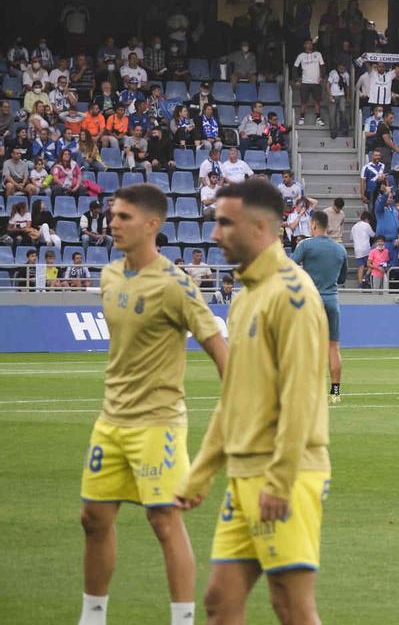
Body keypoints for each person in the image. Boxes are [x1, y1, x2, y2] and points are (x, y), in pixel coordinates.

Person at [174, 179, 331, 625]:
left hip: (286, 473)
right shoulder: (244, 298)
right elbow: (234, 398)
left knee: (291, 607)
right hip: (243, 475)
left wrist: (281, 479)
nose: (214, 233)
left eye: (225, 222)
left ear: (260, 226)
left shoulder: (292, 295)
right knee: (221, 602)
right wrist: (199, 474)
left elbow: (302, 395)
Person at [78, 184, 227, 625]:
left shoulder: (176, 284)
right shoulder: (109, 276)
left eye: (123, 217)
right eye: (112, 215)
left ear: (152, 224)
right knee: (93, 518)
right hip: (111, 421)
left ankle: (182, 620)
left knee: (164, 523)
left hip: (158, 424)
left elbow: (220, 351)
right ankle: (93, 616)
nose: (113, 223)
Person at [291, 211, 348, 402]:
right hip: (332, 300)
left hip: (311, 300)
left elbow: (290, 267)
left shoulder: (306, 245)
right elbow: (341, 278)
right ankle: (336, 392)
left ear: (313, 225)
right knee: (333, 348)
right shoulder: (340, 249)